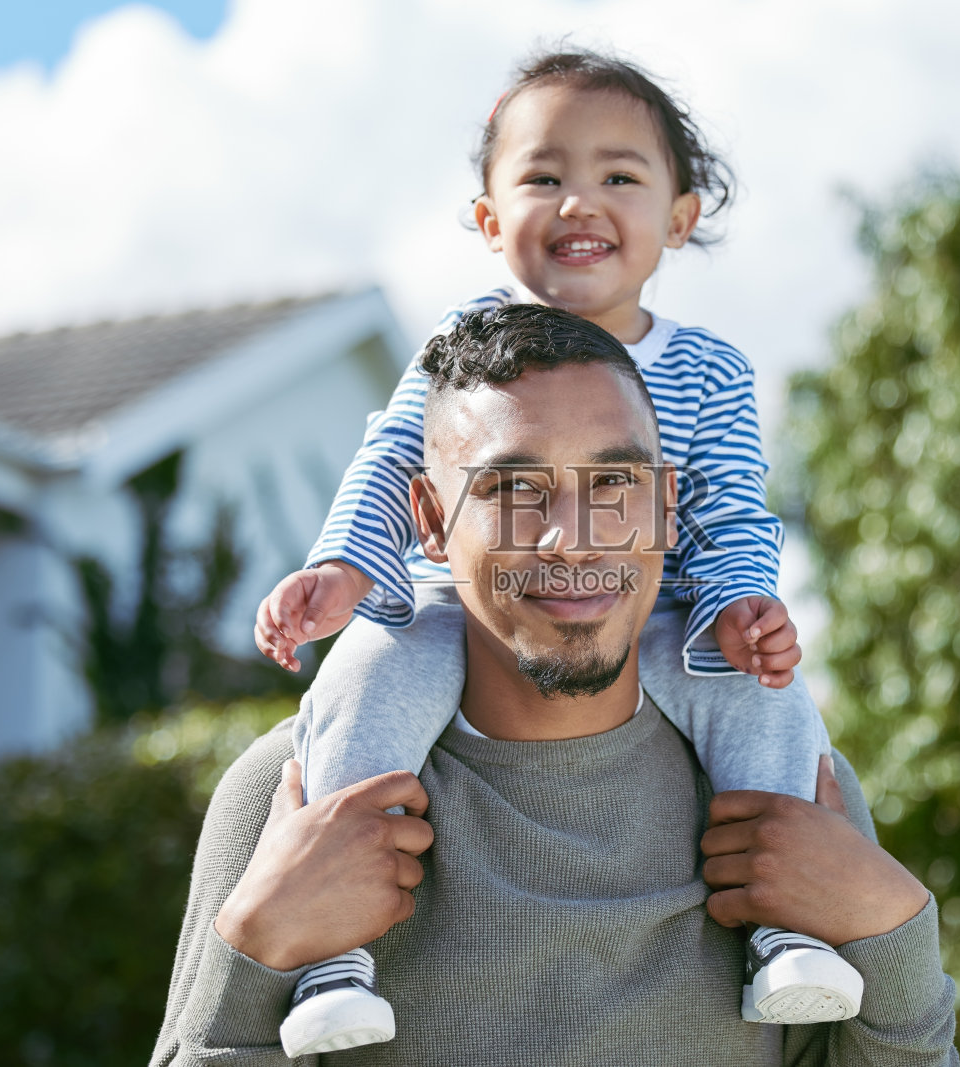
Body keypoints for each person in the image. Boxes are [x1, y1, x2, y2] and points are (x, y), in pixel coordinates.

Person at [151, 304, 958, 1066]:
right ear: (428, 519)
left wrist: (897, 933)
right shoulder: (288, 799)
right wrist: (253, 950)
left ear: (668, 508)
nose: (573, 540)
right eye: (512, 489)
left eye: (615, 486)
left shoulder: (794, 802)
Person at [255, 50, 853, 1054]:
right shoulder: (458, 345)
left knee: (770, 696)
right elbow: (394, 458)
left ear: (679, 218)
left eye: (619, 175)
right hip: (463, 610)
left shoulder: (707, 371)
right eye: (543, 176)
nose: (580, 199)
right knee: (361, 675)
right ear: (490, 219)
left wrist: (740, 602)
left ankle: (788, 933)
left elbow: (731, 511)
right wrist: (345, 569)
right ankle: (332, 958)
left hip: (662, 617)